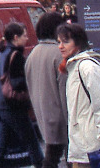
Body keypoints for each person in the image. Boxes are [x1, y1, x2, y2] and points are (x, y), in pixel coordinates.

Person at [57, 23, 100, 168]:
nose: (60, 46)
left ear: (78, 42)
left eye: (66, 41)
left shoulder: (88, 68)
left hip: (92, 146)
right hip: (82, 146)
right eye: (59, 42)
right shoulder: (73, 67)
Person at [0, 22, 43, 168]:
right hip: (13, 107)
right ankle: (42, 165)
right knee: (32, 142)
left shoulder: (0, 54)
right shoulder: (16, 55)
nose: (27, 38)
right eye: (24, 36)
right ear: (16, 37)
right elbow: (19, 83)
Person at [25, 12, 68, 168]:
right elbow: (65, 90)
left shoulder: (33, 53)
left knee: (51, 157)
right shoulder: (59, 54)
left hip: (43, 114)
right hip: (61, 116)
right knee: (68, 157)